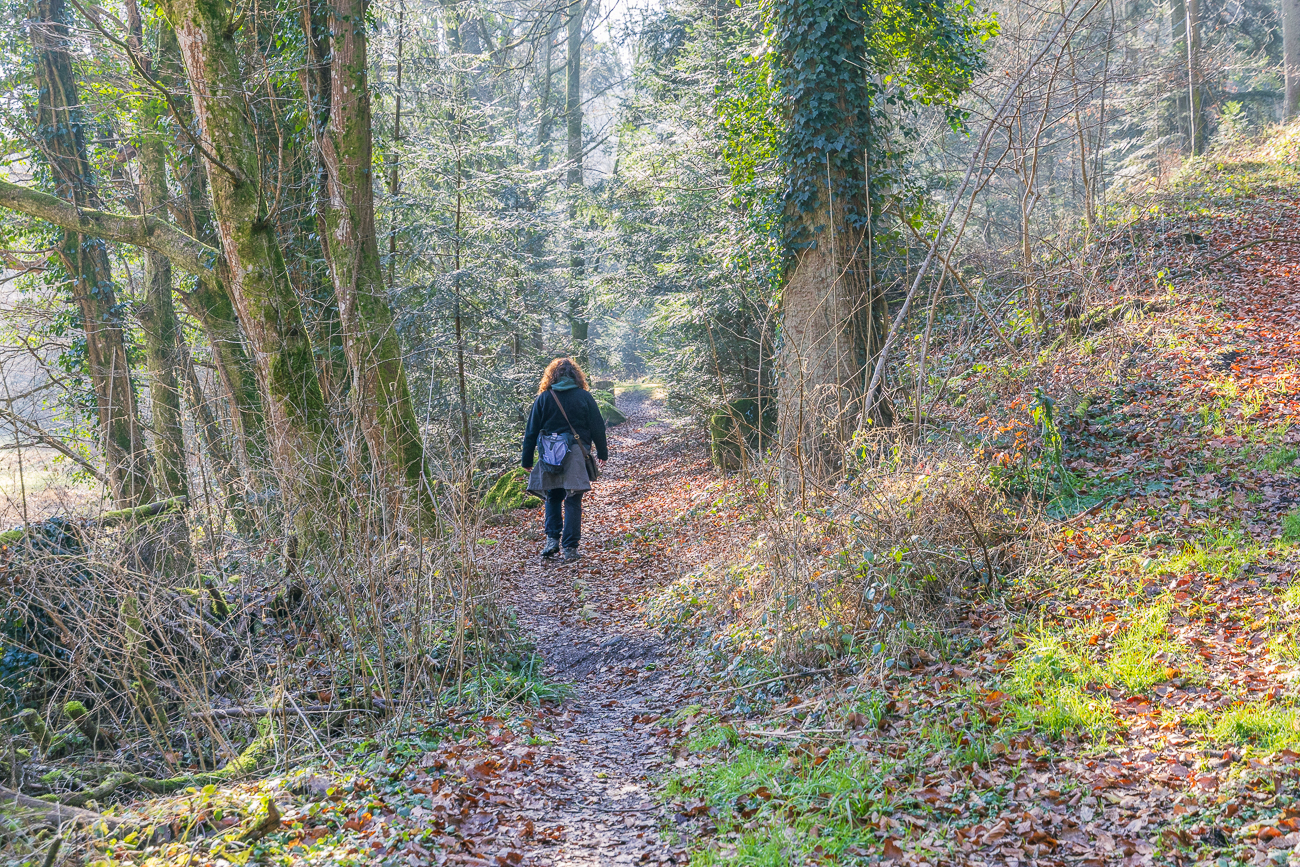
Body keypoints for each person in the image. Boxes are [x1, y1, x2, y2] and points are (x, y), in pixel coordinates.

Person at [521, 357, 608, 561]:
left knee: (553, 496)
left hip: (550, 455)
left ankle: (552, 540)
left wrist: (526, 460)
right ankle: (570, 548)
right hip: (577, 453)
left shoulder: (543, 398)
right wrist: (602, 453)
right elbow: (597, 427)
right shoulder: (584, 397)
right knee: (573, 499)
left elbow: (531, 431)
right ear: (576, 376)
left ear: (552, 376)